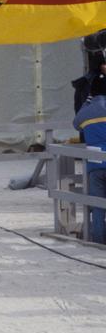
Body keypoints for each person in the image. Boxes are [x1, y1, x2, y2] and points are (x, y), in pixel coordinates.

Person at [74, 77, 106, 244]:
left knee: (98, 205)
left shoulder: (87, 110)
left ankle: (99, 240)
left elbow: (76, 125)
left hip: (95, 164)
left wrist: (87, 103)